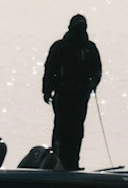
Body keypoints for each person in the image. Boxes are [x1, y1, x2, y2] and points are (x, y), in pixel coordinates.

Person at [41, 13, 102, 170]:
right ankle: (58, 161)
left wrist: (93, 84)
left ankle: (73, 163)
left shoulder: (90, 48)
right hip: (62, 94)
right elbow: (49, 69)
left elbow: (97, 70)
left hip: (81, 96)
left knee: (76, 129)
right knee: (61, 128)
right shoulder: (60, 47)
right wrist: (46, 90)